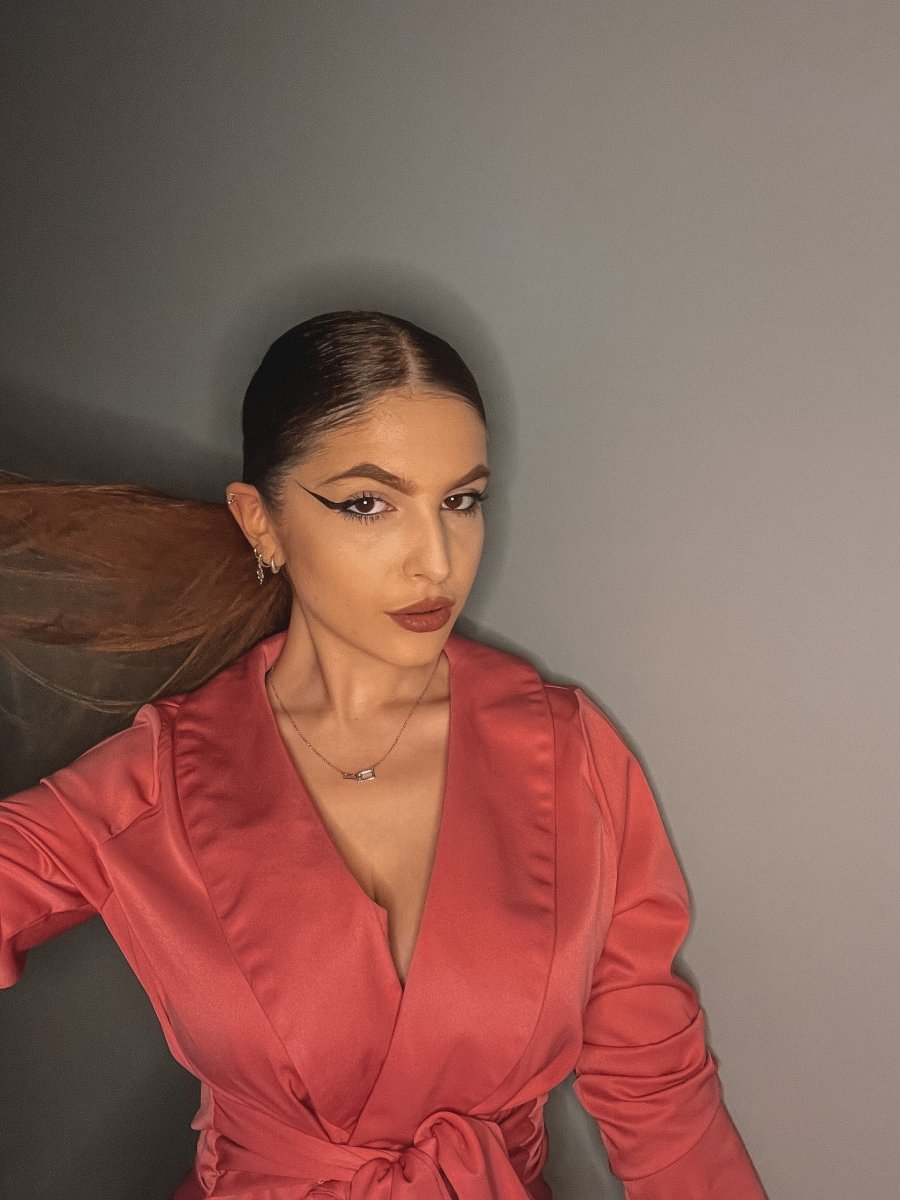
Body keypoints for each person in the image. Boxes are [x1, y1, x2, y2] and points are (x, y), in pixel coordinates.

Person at [0, 310, 767, 1199]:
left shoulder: (570, 755)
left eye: (461, 501)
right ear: (261, 522)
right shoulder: (153, 783)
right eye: (369, 504)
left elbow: (657, 1090)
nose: (435, 561)